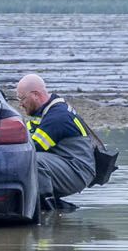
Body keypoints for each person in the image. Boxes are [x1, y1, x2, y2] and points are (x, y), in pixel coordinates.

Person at [16, 73, 96, 209]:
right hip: (70, 165)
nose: (20, 104)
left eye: (22, 98)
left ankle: (48, 209)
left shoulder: (57, 117)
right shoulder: (49, 110)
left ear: (35, 95)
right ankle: (56, 205)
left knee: (32, 160)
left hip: (78, 171)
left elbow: (32, 147)